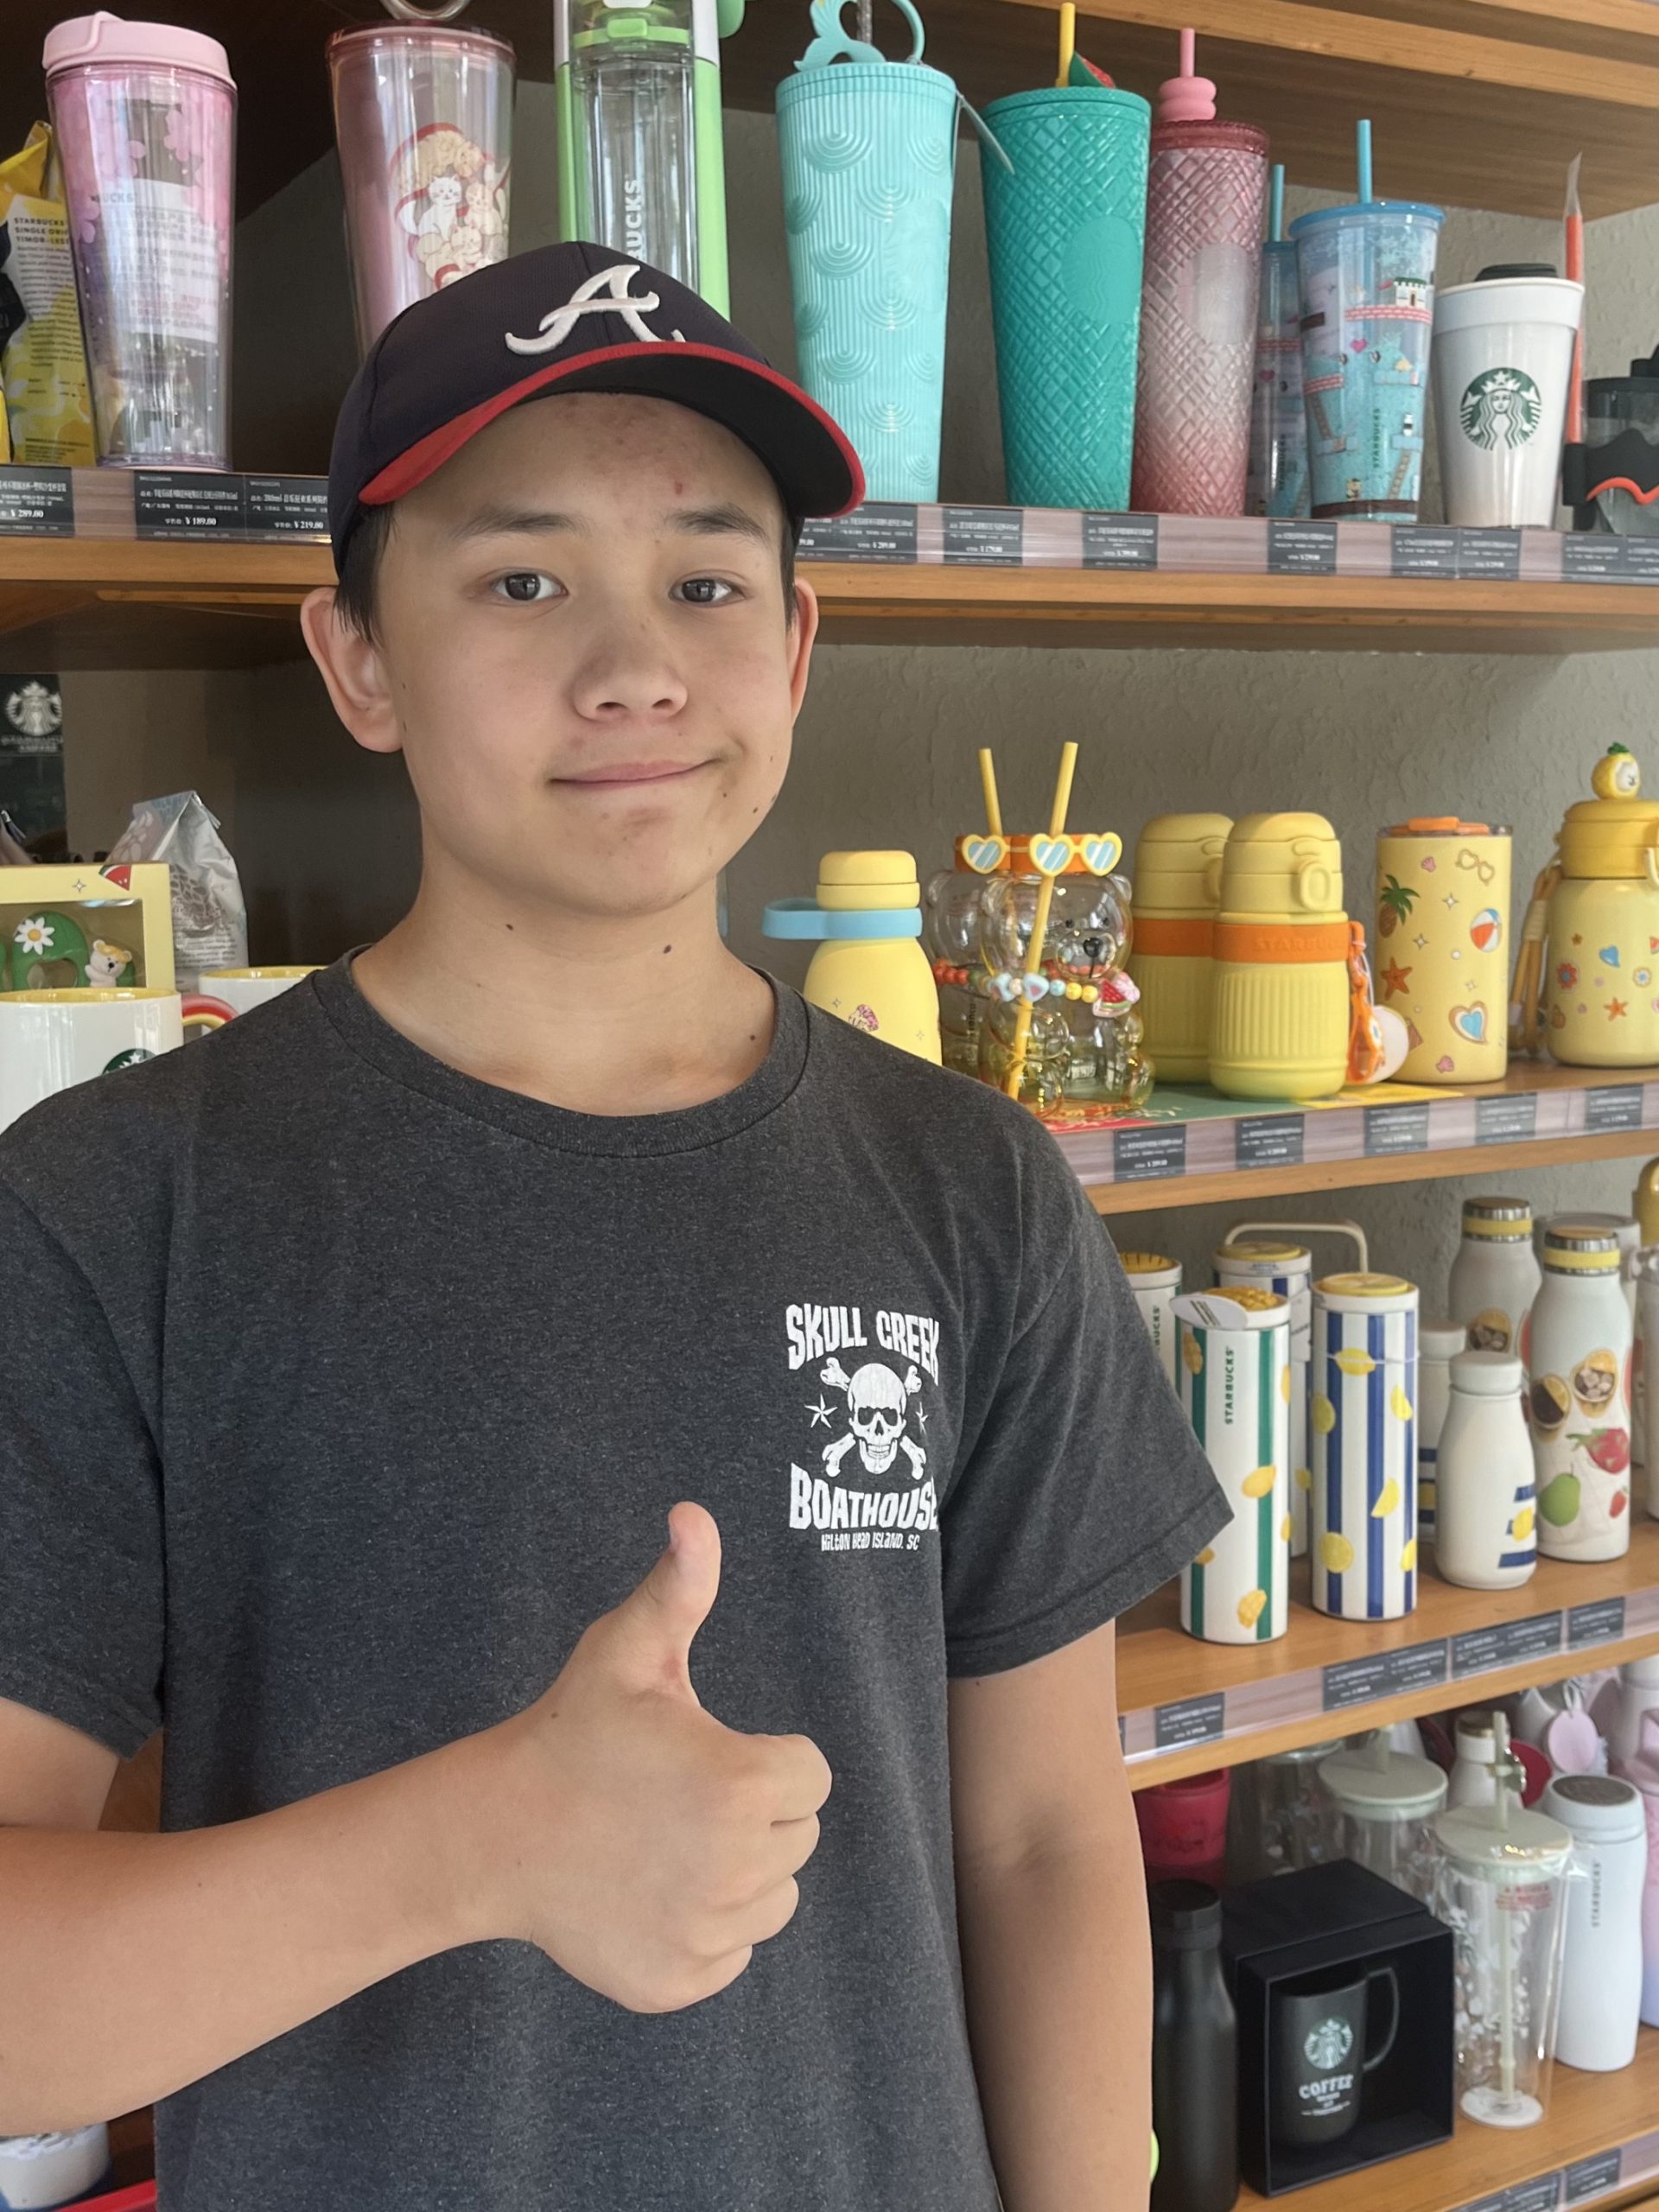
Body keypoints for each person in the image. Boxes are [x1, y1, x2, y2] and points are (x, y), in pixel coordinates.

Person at [0, 243, 1226, 2209]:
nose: (637, 665)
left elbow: (1043, 1843)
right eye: (523, 580)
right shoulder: (115, 1208)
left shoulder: (972, 1185)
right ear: (358, 659)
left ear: (797, 647)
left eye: (707, 583)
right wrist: (481, 1841)